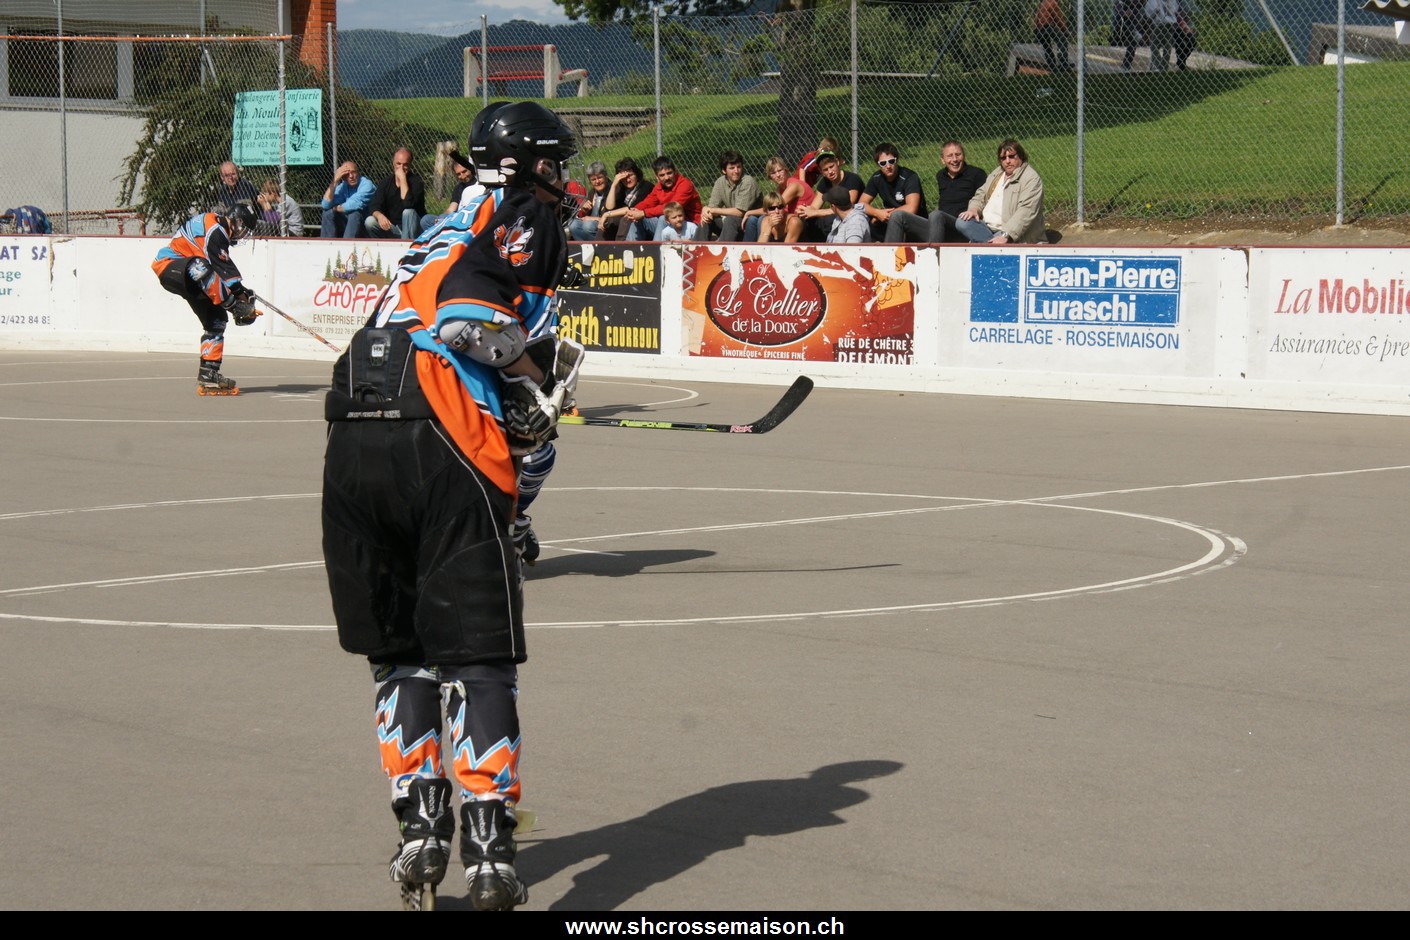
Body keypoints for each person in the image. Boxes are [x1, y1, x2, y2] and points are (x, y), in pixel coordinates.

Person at [321, 101, 585, 912]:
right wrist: (531, 385)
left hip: (356, 430)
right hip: (442, 434)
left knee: (400, 651)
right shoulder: (524, 216)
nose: (562, 180)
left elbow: (422, 312)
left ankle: (420, 825)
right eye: (554, 164)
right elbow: (475, 323)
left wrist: (515, 394)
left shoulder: (441, 224)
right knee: (476, 658)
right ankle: (490, 849)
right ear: (526, 165)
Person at [150, 201, 260, 395]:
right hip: (170, 266)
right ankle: (233, 307)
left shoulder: (218, 230)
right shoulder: (217, 231)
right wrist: (238, 303)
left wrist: (244, 297)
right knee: (199, 267)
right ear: (236, 221)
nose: (244, 234)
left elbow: (222, 273)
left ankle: (209, 372)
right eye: (244, 229)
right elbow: (224, 273)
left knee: (217, 319)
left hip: (191, 277)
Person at [955, 139, 1048, 245]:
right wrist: (974, 209)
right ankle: (991, 245)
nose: (1007, 161)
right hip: (986, 228)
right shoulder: (998, 173)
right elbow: (981, 194)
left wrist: (1005, 235)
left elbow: (1026, 211)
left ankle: (989, 246)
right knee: (962, 222)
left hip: (1011, 233)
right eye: (1003, 158)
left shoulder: (1031, 178)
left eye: (1011, 156)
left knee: (995, 240)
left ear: (1021, 156)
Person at [617, 156, 701, 241]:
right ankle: (631, 247)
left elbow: (671, 209)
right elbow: (648, 202)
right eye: (662, 175)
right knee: (636, 218)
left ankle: (657, 248)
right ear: (657, 177)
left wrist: (643, 213)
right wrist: (634, 211)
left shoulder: (685, 185)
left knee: (664, 217)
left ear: (675, 172)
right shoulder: (658, 187)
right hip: (671, 226)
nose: (667, 177)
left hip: (689, 228)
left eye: (669, 173)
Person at [859, 143, 928, 243]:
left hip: (914, 224)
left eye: (891, 161)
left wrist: (885, 214)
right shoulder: (876, 178)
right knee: (861, 218)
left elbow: (911, 208)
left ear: (897, 160)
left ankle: (889, 249)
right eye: (883, 163)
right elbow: (861, 204)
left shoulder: (909, 177)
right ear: (877, 164)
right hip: (889, 220)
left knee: (896, 217)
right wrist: (877, 213)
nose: (888, 166)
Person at [795, 149, 866, 242]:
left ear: (837, 162)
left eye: (831, 166)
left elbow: (846, 207)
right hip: (835, 216)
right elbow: (814, 207)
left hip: (855, 218)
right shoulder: (824, 182)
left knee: (828, 221)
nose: (830, 172)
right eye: (825, 170)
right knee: (807, 221)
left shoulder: (852, 179)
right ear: (821, 171)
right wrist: (805, 211)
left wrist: (815, 212)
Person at [927, 140, 988, 243]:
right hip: (943, 224)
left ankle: (934, 251)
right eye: (950, 156)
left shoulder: (976, 174)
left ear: (964, 156)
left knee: (936, 215)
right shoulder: (940, 175)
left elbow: (983, 200)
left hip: (964, 224)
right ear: (943, 160)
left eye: (958, 155)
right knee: (901, 217)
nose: (955, 159)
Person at [364, 147, 427, 240]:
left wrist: (402, 179)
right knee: (370, 221)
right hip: (394, 229)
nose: (401, 168)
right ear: (393, 163)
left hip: (414, 229)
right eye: (398, 163)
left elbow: (408, 204)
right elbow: (374, 206)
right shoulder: (386, 182)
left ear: (410, 165)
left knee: (408, 212)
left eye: (405, 164)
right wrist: (380, 216)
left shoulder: (416, 182)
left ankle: (406, 246)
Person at [699, 150, 761, 243]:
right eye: (732, 168)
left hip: (749, 225)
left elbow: (739, 212)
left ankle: (722, 250)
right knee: (706, 219)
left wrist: (713, 210)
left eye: (739, 167)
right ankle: (696, 248)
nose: (736, 171)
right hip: (730, 225)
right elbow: (712, 207)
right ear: (724, 170)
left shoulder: (748, 182)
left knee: (731, 219)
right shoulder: (720, 182)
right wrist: (706, 210)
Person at [747, 156, 812, 244]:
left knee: (763, 219)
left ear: (786, 170)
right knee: (752, 220)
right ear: (770, 176)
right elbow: (773, 208)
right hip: (790, 218)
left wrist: (748, 212)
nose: (778, 175)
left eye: (780, 170)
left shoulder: (793, 186)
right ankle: (748, 248)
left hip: (806, 222)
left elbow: (772, 208)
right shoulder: (779, 190)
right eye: (773, 173)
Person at [420, 157, 483, 233]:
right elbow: (451, 209)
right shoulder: (459, 188)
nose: (462, 176)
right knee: (426, 220)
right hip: (456, 218)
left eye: (464, 171)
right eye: (458, 174)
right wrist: (441, 218)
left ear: (471, 169)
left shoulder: (480, 184)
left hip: (470, 218)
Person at [597, 157, 653, 241]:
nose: (628, 180)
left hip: (643, 220)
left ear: (637, 174)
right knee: (609, 221)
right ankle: (599, 246)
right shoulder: (622, 189)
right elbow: (609, 207)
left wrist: (606, 214)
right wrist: (614, 185)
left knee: (625, 220)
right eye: (624, 178)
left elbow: (631, 208)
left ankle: (620, 247)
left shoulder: (646, 186)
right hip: (627, 218)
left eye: (630, 176)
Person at [320, 161, 375, 239]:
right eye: (347, 174)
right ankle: (328, 243)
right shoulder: (343, 186)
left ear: (358, 173)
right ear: (343, 177)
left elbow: (353, 204)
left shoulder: (367, 185)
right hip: (350, 225)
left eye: (353, 172)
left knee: (355, 213)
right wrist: (335, 180)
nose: (351, 176)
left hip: (367, 226)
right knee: (327, 212)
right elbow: (325, 205)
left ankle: (347, 244)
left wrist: (335, 208)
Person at [567, 161, 611, 241]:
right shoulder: (592, 192)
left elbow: (612, 216)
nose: (597, 182)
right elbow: (585, 214)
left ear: (606, 176)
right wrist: (585, 209)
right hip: (591, 224)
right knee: (572, 224)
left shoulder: (612, 190)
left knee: (588, 226)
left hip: (605, 226)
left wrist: (592, 218)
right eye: (593, 179)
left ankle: (597, 246)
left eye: (599, 177)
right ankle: (583, 246)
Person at [1034, 0, 1072, 74]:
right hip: (1047, 26)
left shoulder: (1043, 2)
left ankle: (1052, 67)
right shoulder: (1052, 3)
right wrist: (1066, 31)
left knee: (1047, 47)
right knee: (1062, 39)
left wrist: (1035, 29)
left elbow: (1036, 16)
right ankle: (1063, 64)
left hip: (1038, 29)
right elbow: (1059, 19)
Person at [1145, 0, 1179, 72]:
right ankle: (1161, 67)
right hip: (1164, 24)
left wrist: (1161, 8)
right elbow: (1150, 14)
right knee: (1163, 47)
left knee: (1158, 46)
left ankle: (1159, 66)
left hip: (1163, 24)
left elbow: (1150, 14)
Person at [1113, 0, 1145, 72]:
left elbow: (1142, 4)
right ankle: (1118, 35)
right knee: (1131, 40)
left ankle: (1126, 65)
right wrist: (1123, 13)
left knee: (1133, 42)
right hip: (1125, 17)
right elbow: (1116, 4)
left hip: (1135, 16)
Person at [1173, 1, 1197, 70]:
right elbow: (1175, 13)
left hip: (1185, 25)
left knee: (1192, 41)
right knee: (1179, 44)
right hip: (1175, 25)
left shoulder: (1186, 2)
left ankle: (1181, 62)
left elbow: (1188, 15)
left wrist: (1190, 26)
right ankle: (1181, 64)